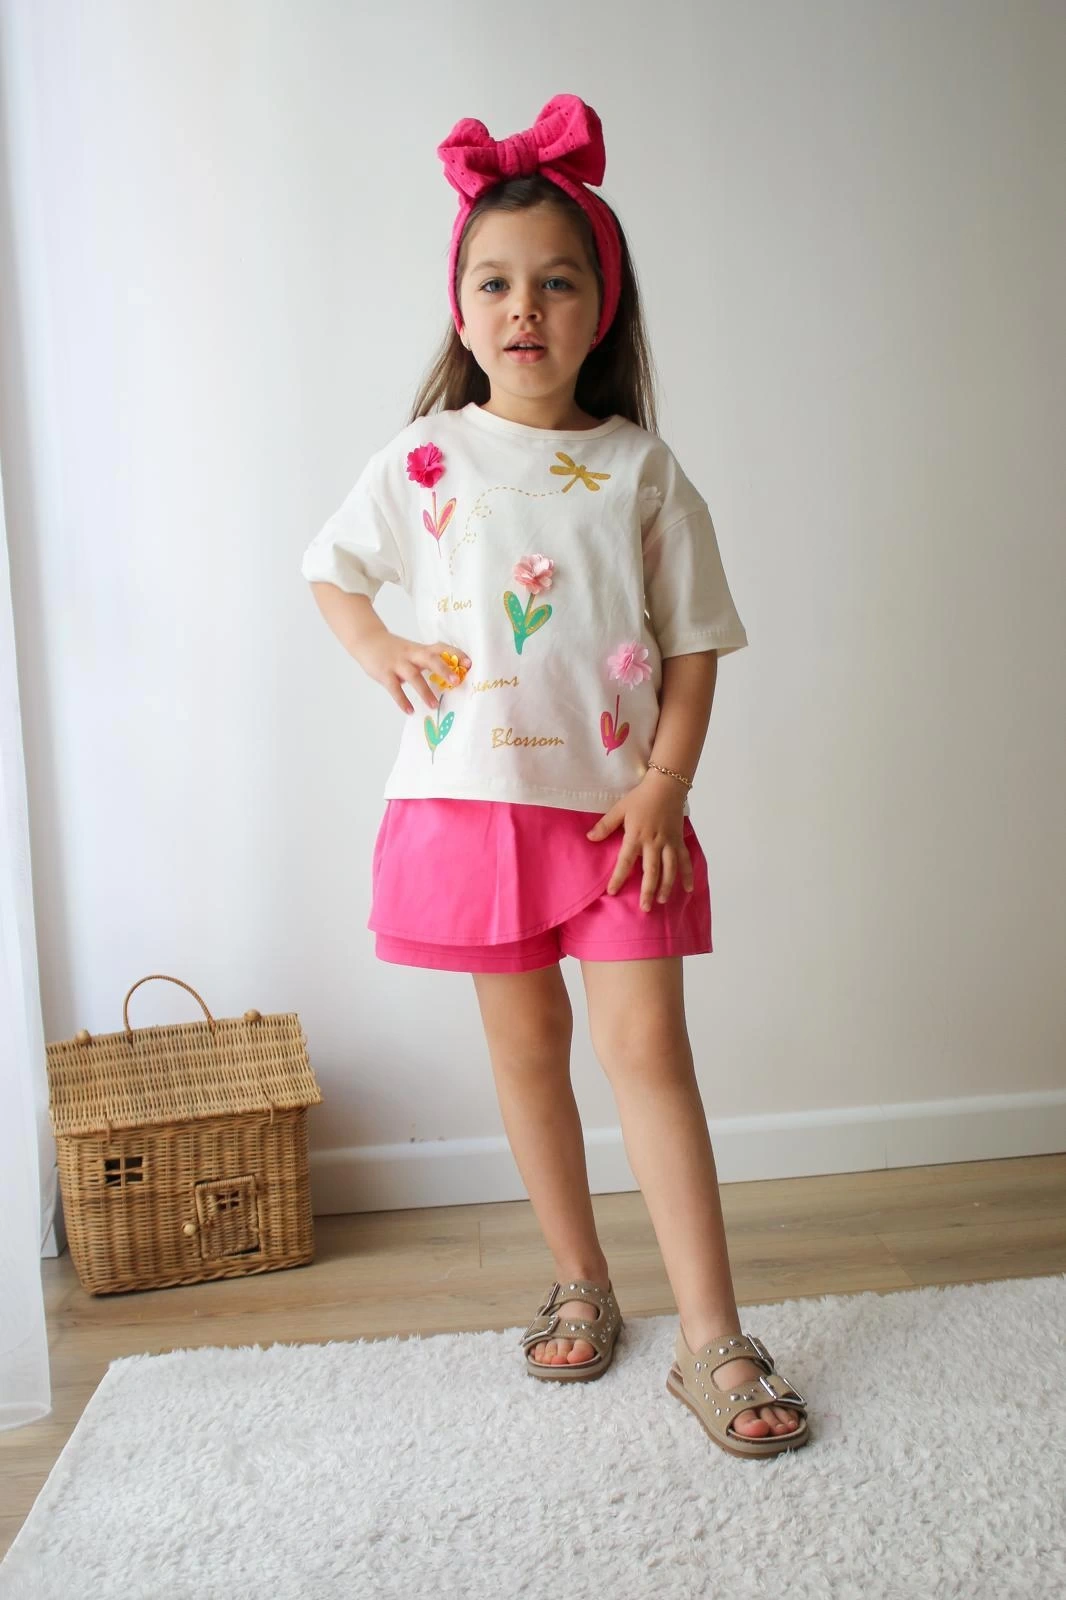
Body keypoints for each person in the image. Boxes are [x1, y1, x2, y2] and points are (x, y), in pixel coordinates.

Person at [302, 94, 809, 1457]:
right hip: (472, 808)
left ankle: (711, 1337)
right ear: (461, 310)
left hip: (618, 817)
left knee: (649, 1055)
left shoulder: (640, 468)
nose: (524, 306)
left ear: (601, 308)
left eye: (556, 282)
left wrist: (666, 783)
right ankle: (580, 1279)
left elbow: (694, 644)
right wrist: (379, 646)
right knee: (528, 1052)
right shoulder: (424, 457)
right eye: (494, 282)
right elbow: (331, 571)